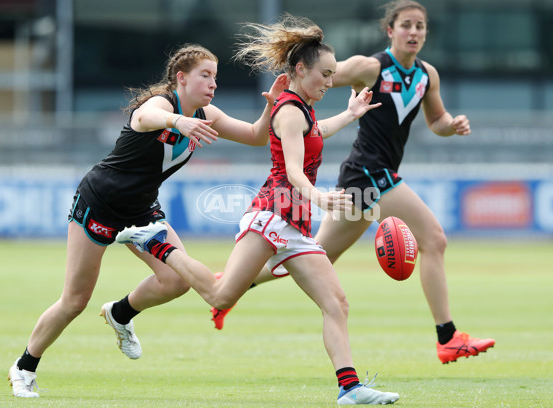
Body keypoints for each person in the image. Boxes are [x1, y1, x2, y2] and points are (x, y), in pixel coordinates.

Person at [116, 15, 400, 405]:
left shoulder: (303, 108)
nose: (331, 83)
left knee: (336, 302)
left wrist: (350, 115)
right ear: (301, 70)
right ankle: (157, 244)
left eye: (334, 75)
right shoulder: (289, 111)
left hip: (293, 223)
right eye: (326, 74)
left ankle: (350, 389)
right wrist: (318, 198)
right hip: (272, 215)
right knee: (220, 297)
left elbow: (315, 135)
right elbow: (296, 173)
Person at [211, 0, 496, 365]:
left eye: (420, 26)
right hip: (369, 173)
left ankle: (232, 284)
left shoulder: (428, 76)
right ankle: (448, 337)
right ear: (390, 30)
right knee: (435, 239)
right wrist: (299, 84)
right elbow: (326, 74)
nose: (414, 32)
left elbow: (437, 121)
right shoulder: (371, 66)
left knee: (316, 257)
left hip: (363, 179)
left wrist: (452, 125)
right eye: (406, 25)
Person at [7, 43, 288, 398]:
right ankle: (23, 367)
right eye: (205, 75)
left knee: (176, 280)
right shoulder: (164, 105)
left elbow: (256, 136)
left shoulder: (206, 114)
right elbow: (143, 118)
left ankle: (121, 313)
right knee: (75, 300)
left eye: (215, 77)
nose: (212, 83)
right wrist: (178, 121)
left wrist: (270, 107)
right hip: (99, 202)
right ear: (181, 78)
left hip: (141, 210)